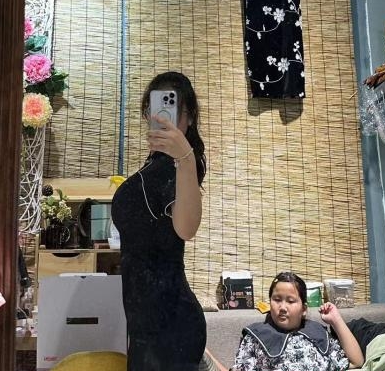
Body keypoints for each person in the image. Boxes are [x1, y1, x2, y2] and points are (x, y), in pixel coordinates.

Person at [111, 71, 207, 371]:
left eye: (173, 108)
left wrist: (185, 157)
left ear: (189, 117)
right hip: (148, 327)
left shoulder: (176, 168)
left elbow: (187, 228)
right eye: (157, 108)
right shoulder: (157, 167)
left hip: (169, 328)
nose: (163, 117)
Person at [211, 271, 364, 371]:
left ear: (304, 309)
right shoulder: (256, 337)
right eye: (277, 299)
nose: (283, 307)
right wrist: (207, 355)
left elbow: (357, 362)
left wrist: (336, 320)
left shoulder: (318, 334)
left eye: (291, 301)